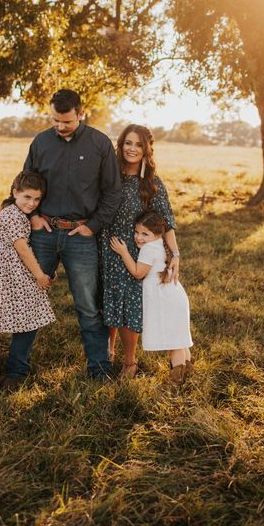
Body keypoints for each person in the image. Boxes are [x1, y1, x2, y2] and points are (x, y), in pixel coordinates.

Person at [5, 89, 122, 383]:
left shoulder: (99, 144)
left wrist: (93, 226)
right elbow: (23, 182)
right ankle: (16, 370)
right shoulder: (41, 142)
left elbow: (112, 191)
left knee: (87, 305)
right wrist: (32, 216)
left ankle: (99, 370)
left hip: (81, 235)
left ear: (81, 114)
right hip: (44, 232)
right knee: (29, 297)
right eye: (55, 120)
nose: (59, 126)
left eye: (66, 121)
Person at [99, 124, 180, 378]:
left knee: (125, 306)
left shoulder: (151, 183)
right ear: (120, 145)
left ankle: (130, 362)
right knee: (105, 301)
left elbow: (165, 221)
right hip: (104, 246)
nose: (132, 149)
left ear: (146, 150)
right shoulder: (109, 176)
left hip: (133, 251)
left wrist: (175, 254)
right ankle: (107, 352)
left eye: (138, 145)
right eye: (128, 143)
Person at [0, 171, 56, 398]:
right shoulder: (11, 215)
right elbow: (22, 248)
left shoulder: (19, 213)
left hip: (13, 273)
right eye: (27, 197)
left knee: (14, 312)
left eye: (37, 199)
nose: (32, 203)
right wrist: (39, 274)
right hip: (1, 273)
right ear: (15, 193)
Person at [110, 210, 193, 383]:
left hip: (167, 300)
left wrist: (123, 252)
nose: (138, 237)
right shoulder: (159, 244)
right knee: (179, 337)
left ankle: (177, 380)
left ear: (157, 234)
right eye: (136, 232)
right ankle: (187, 370)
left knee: (174, 342)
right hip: (175, 295)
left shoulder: (148, 249)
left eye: (145, 234)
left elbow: (138, 272)